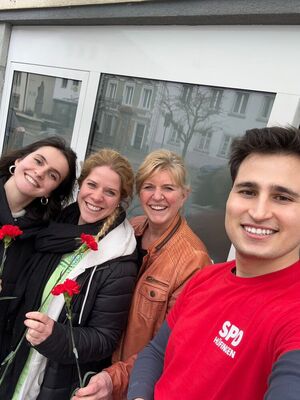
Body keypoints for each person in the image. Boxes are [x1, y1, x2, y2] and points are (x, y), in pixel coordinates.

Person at [127, 126, 300, 400]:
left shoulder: (292, 314)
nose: (258, 211)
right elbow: (156, 352)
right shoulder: (206, 278)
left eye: (282, 197)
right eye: (247, 191)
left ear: (184, 195)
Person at [73, 149, 211, 400]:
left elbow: (169, 346)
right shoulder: (131, 229)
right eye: (149, 187)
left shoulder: (194, 260)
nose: (157, 197)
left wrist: (116, 379)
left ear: (184, 195)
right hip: (94, 364)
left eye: (168, 188)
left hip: (130, 384)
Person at [0, 148, 138, 400]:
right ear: (80, 184)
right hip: (13, 357)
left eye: (110, 192)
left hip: (51, 380)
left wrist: (55, 336)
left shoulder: (119, 258)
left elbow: (105, 338)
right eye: (92, 185)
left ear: (121, 199)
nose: (97, 197)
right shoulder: (56, 224)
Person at [0, 136, 77, 359]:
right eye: (38, 161)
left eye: (53, 175)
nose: (40, 172)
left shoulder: (41, 236)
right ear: (20, 158)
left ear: (51, 192)